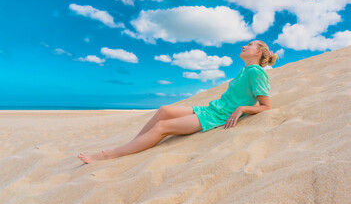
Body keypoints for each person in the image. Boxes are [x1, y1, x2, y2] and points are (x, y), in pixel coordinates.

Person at [78, 40, 278, 164]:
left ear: (258, 52)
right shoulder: (245, 71)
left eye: (250, 45)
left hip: (218, 116)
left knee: (162, 127)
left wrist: (242, 108)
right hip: (212, 108)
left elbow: (266, 106)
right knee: (164, 109)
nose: (244, 46)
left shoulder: (256, 72)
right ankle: (133, 144)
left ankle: (108, 154)